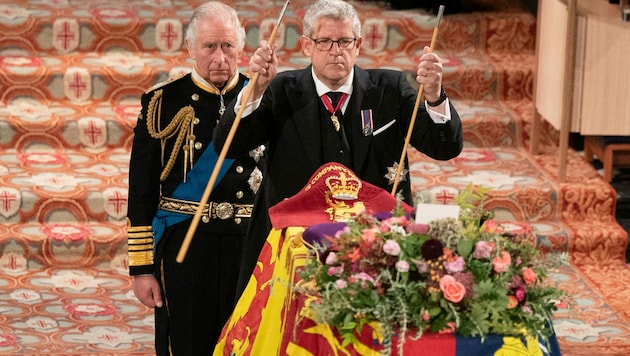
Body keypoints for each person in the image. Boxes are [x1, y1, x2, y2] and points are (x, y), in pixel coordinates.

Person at [213, 0, 463, 299]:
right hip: (295, 243)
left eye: (345, 41)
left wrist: (434, 97)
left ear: (358, 45)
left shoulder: (391, 89)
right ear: (307, 45)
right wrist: (253, 91)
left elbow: (443, 147)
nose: (336, 50)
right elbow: (228, 145)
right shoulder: (281, 90)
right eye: (325, 41)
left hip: (376, 244)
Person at [126, 2, 264, 355]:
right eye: (209, 47)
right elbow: (141, 191)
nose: (220, 57)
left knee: (247, 340)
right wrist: (142, 269)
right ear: (190, 49)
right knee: (187, 341)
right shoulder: (162, 103)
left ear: (241, 48)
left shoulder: (264, 99)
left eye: (228, 46)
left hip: (248, 243)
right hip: (186, 242)